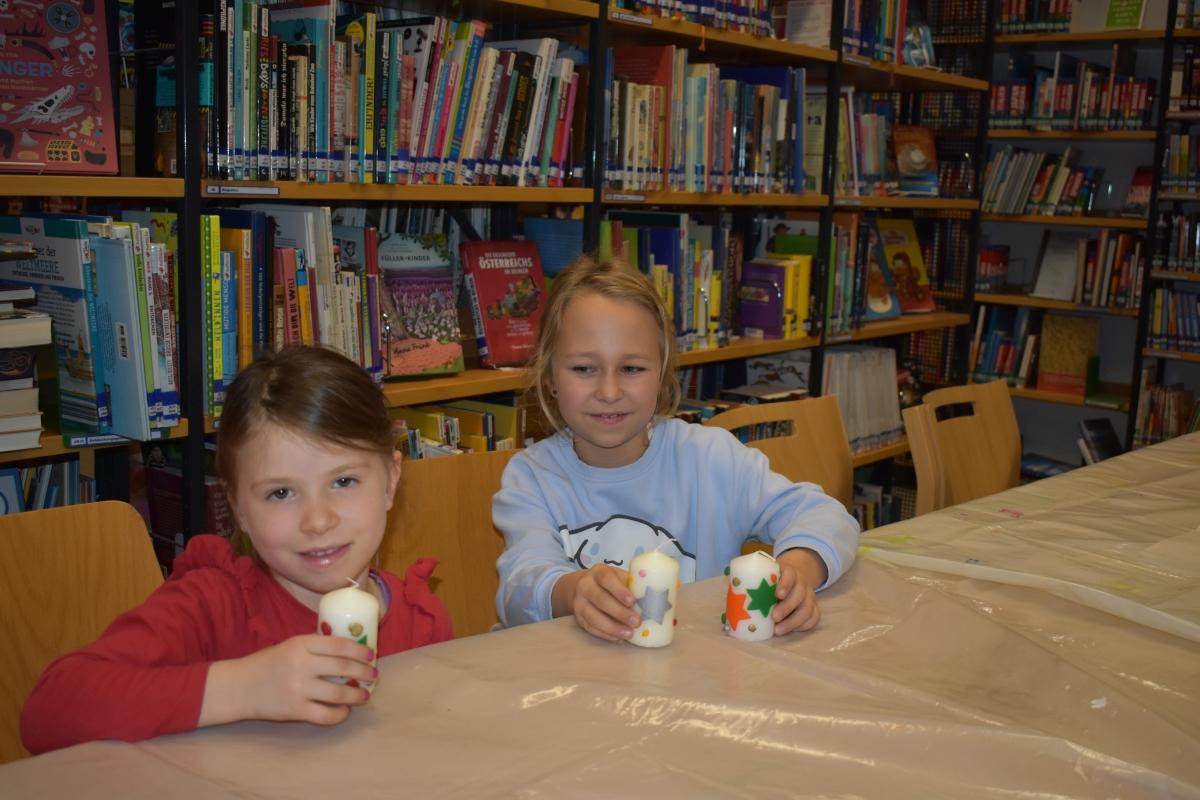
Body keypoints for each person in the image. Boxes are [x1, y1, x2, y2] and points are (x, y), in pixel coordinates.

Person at [21, 346, 452, 754]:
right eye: (281, 493)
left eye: (343, 482)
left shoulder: (422, 622)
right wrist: (245, 687)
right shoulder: (212, 606)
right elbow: (50, 712)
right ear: (239, 508)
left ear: (392, 480)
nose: (318, 521)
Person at [493, 256, 860, 641]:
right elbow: (519, 588)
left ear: (663, 373)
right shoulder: (531, 478)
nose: (609, 392)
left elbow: (825, 515)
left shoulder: (712, 459)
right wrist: (573, 591)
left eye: (632, 369)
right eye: (584, 369)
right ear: (549, 376)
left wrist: (799, 571)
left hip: (696, 685)